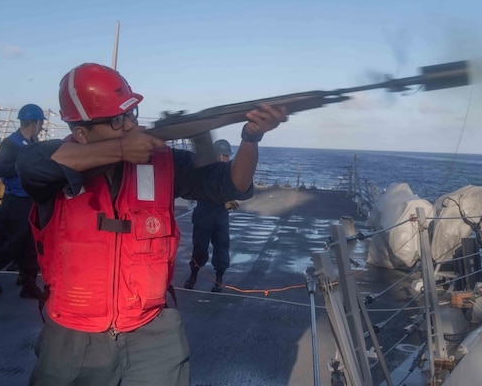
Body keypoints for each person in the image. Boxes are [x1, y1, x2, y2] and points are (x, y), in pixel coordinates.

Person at [15, 62, 287, 386]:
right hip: (73, 337)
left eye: (131, 114)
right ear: (81, 133)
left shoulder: (164, 162)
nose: (130, 125)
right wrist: (119, 150)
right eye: (117, 119)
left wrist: (251, 138)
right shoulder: (54, 165)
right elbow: (31, 164)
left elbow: (232, 185)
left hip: (151, 332)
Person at [0, 104, 45, 298]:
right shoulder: (11, 144)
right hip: (16, 201)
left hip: (30, 199)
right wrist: (24, 164)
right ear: (35, 122)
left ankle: (28, 284)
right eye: (41, 123)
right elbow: (1, 169)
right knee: (13, 243)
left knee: (30, 243)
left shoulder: (32, 141)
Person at [184, 139, 240, 292]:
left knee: (222, 247)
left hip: (221, 216)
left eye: (228, 156)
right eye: (225, 155)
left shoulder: (229, 171)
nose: (228, 159)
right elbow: (197, 188)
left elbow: (234, 188)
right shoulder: (203, 170)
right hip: (204, 214)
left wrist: (230, 197)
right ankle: (193, 274)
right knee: (199, 247)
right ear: (217, 155)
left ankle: (219, 278)